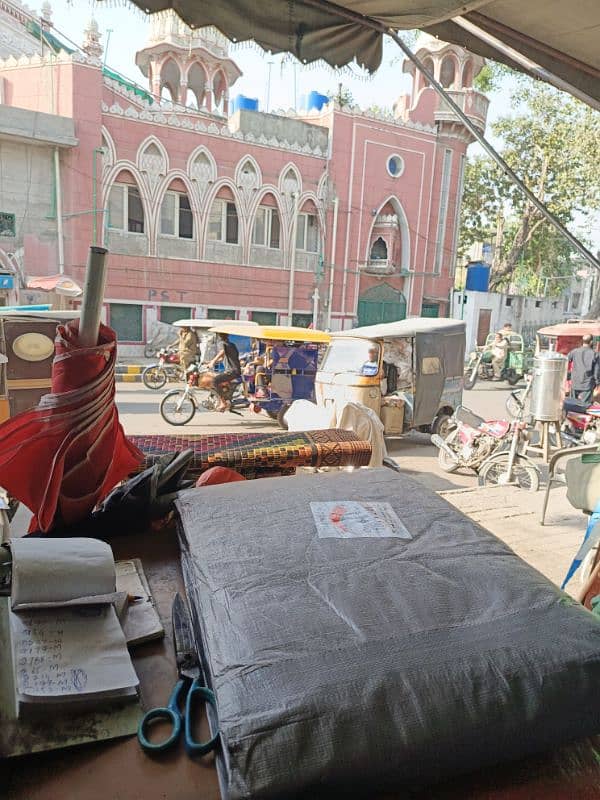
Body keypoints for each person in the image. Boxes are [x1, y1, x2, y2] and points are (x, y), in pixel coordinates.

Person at [206, 333, 241, 411]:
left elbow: (222, 352)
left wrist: (213, 361)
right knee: (215, 376)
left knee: (215, 380)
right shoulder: (231, 345)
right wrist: (209, 362)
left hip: (232, 371)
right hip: (232, 370)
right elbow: (223, 358)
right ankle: (223, 396)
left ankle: (223, 402)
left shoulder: (226, 345)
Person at [568, 334, 600, 404]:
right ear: (591, 342)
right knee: (584, 406)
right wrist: (598, 383)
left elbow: (565, 361)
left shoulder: (574, 352)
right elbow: (596, 372)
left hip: (575, 383)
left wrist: (567, 376)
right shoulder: (595, 354)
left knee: (572, 405)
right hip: (587, 385)